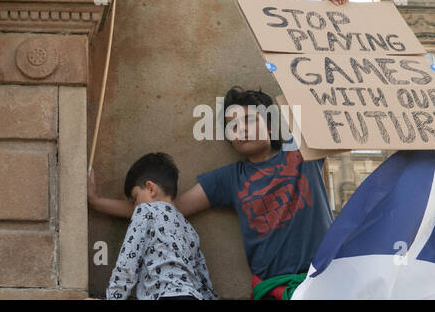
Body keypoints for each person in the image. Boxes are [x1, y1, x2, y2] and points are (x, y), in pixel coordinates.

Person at [90, 86, 333, 300]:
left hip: (326, 280)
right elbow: (159, 208)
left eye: (249, 120)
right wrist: (96, 201)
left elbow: (327, 105)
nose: (241, 130)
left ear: (271, 123)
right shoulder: (229, 178)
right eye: (232, 126)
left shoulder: (302, 151)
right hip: (273, 289)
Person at [105, 152, 216, 300]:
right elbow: (202, 276)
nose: (135, 205)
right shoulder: (188, 227)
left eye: (136, 198)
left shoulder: (145, 211)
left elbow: (127, 264)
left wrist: (113, 297)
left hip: (165, 296)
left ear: (151, 188)